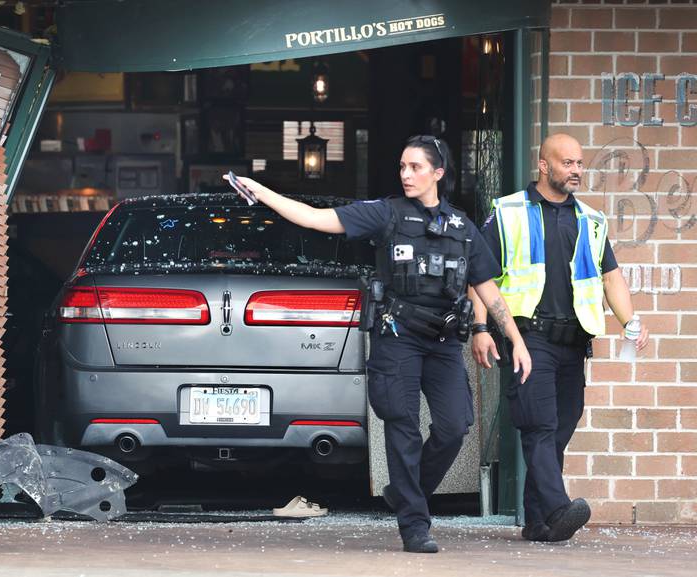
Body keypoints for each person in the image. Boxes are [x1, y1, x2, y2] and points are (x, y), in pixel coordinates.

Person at [225, 135, 531, 554]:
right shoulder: (385, 213)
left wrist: (514, 340)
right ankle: (415, 526)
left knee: (454, 425)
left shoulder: (462, 227)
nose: (406, 174)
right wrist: (263, 193)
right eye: (402, 167)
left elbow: (489, 291)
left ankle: (407, 493)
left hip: (442, 341)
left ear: (437, 173)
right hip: (397, 336)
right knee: (402, 427)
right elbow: (318, 219)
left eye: (415, 167)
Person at [470, 133, 649, 543]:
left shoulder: (590, 219)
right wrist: (480, 328)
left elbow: (610, 277)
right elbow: (479, 276)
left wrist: (630, 321)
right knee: (539, 426)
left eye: (580, 164)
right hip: (526, 337)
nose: (576, 171)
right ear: (544, 165)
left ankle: (538, 524)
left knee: (561, 428)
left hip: (573, 342)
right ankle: (557, 507)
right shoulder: (508, 212)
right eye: (567, 163)